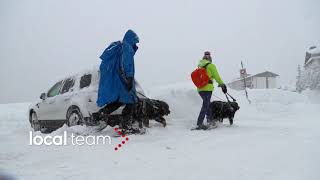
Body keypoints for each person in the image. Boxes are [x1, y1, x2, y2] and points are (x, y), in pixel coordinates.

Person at [96, 29, 140, 131]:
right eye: (135, 42)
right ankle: (125, 127)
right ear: (131, 40)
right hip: (124, 81)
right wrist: (129, 79)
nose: (136, 45)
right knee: (131, 102)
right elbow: (126, 64)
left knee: (119, 101)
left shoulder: (119, 48)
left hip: (118, 81)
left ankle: (100, 114)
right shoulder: (127, 48)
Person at [195, 51, 227, 130]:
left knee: (208, 104)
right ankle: (199, 123)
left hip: (200, 89)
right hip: (207, 88)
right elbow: (217, 76)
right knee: (205, 105)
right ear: (210, 58)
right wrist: (222, 84)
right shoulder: (211, 65)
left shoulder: (200, 66)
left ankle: (210, 120)